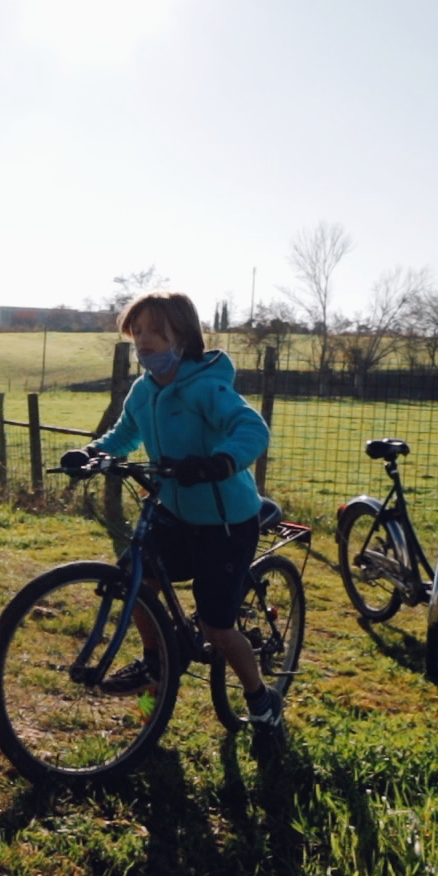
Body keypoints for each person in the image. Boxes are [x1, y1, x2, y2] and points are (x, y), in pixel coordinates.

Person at [60, 291, 283, 733]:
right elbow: (124, 434)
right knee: (134, 585)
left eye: (155, 333)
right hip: (172, 512)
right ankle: (157, 661)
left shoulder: (207, 387)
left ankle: (262, 700)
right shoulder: (144, 392)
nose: (143, 341)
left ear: (182, 336)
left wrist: (220, 460)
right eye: (137, 331)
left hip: (225, 522)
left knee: (217, 628)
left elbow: (250, 428)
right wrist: (90, 453)